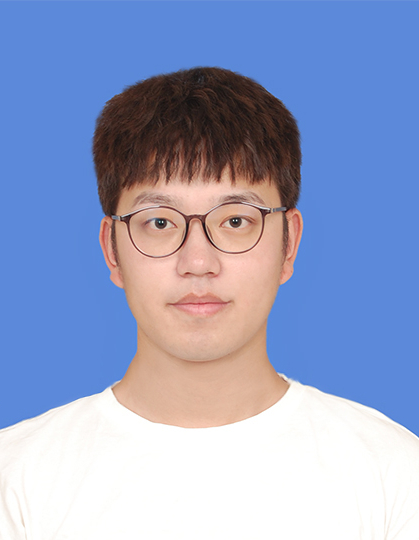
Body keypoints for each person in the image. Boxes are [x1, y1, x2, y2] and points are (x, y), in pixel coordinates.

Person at [0, 67, 418, 540]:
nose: (198, 262)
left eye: (236, 221)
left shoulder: (395, 475)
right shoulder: (16, 481)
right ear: (112, 250)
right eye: (159, 223)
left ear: (289, 244)